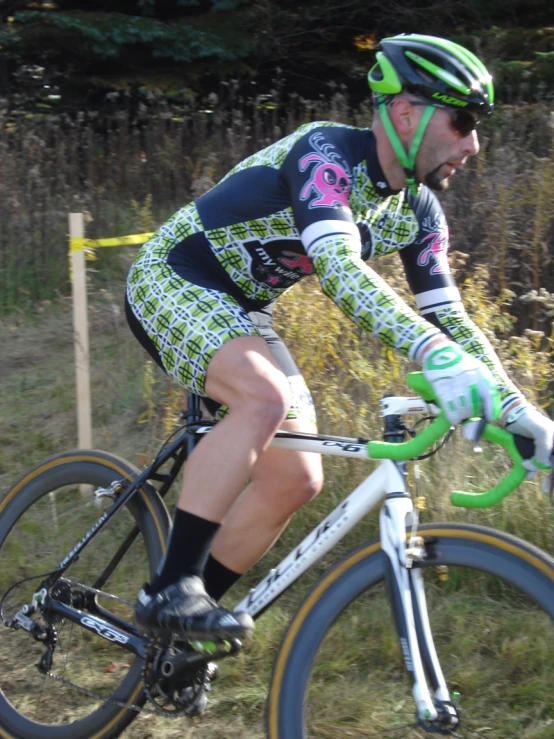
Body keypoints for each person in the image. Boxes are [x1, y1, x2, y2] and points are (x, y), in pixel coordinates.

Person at [126, 34, 554, 646]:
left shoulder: (419, 211)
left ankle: (178, 635)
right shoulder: (324, 152)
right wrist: (435, 357)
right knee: (264, 399)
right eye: (461, 121)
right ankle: (168, 589)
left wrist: (518, 408)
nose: (474, 143)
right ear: (405, 111)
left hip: (242, 310)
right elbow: (339, 267)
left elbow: (452, 322)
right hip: (172, 277)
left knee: (298, 479)